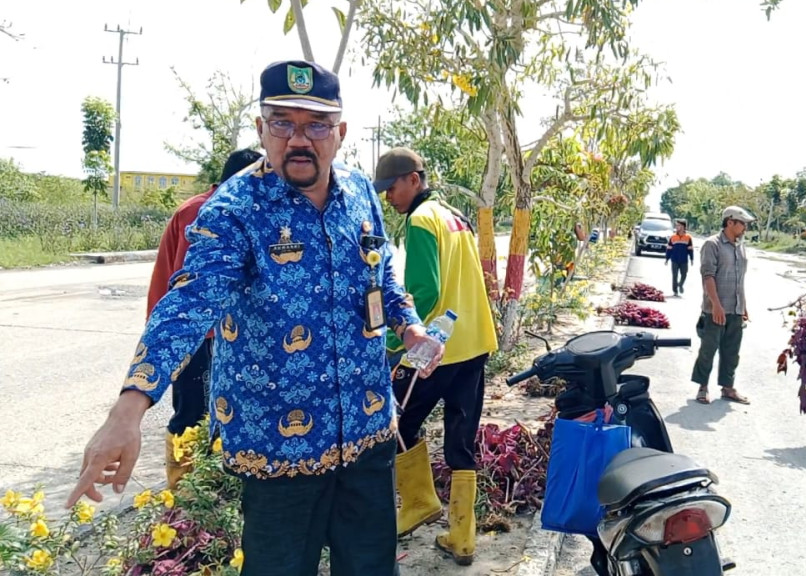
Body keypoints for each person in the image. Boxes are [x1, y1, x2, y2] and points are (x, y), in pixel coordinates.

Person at [66, 60, 443, 576]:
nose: (298, 139)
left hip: (366, 431)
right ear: (262, 129)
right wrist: (128, 409)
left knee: (373, 568)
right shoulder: (233, 209)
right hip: (277, 449)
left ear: (341, 134)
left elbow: (382, 278)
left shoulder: (359, 196)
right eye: (282, 123)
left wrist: (410, 326)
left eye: (315, 125)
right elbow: (188, 303)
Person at [374, 147, 499, 566]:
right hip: (474, 342)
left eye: (391, 188)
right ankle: (462, 537)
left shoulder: (422, 221)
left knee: (397, 421)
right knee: (461, 440)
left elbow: (423, 291)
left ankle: (419, 503)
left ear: (413, 179)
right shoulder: (453, 215)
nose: (389, 198)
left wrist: (396, 345)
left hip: (436, 351)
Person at [147, 148, 263, 489]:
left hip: (220, 333)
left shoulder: (234, 209)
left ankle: (211, 484)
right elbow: (191, 288)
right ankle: (182, 495)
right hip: (191, 335)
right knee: (191, 412)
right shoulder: (200, 211)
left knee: (221, 412)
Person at [691, 206, 755, 405]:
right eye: (742, 223)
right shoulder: (713, 244)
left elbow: (740, 279)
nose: (745, 227)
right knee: (708, 350)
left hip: (735, 308)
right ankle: (702, 387)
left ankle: (728, 387)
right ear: (730, 222)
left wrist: (743, 306)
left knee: (732, 351)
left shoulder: (740, 246)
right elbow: (708, 276)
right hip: (715, 309)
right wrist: (716, 305)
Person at [665, 219, 694, 296]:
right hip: (674, 259)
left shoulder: (688, 238)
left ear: (683, 227)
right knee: (674, 275)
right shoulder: (673, 237)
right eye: (676, 225)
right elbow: (669, 248)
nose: (677, 227)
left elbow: (690, 249)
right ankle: (675, 291)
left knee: (684, 274)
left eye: (679, 225)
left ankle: (680, 284)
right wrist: (667, 258)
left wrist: (691, 259)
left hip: (684, 260)